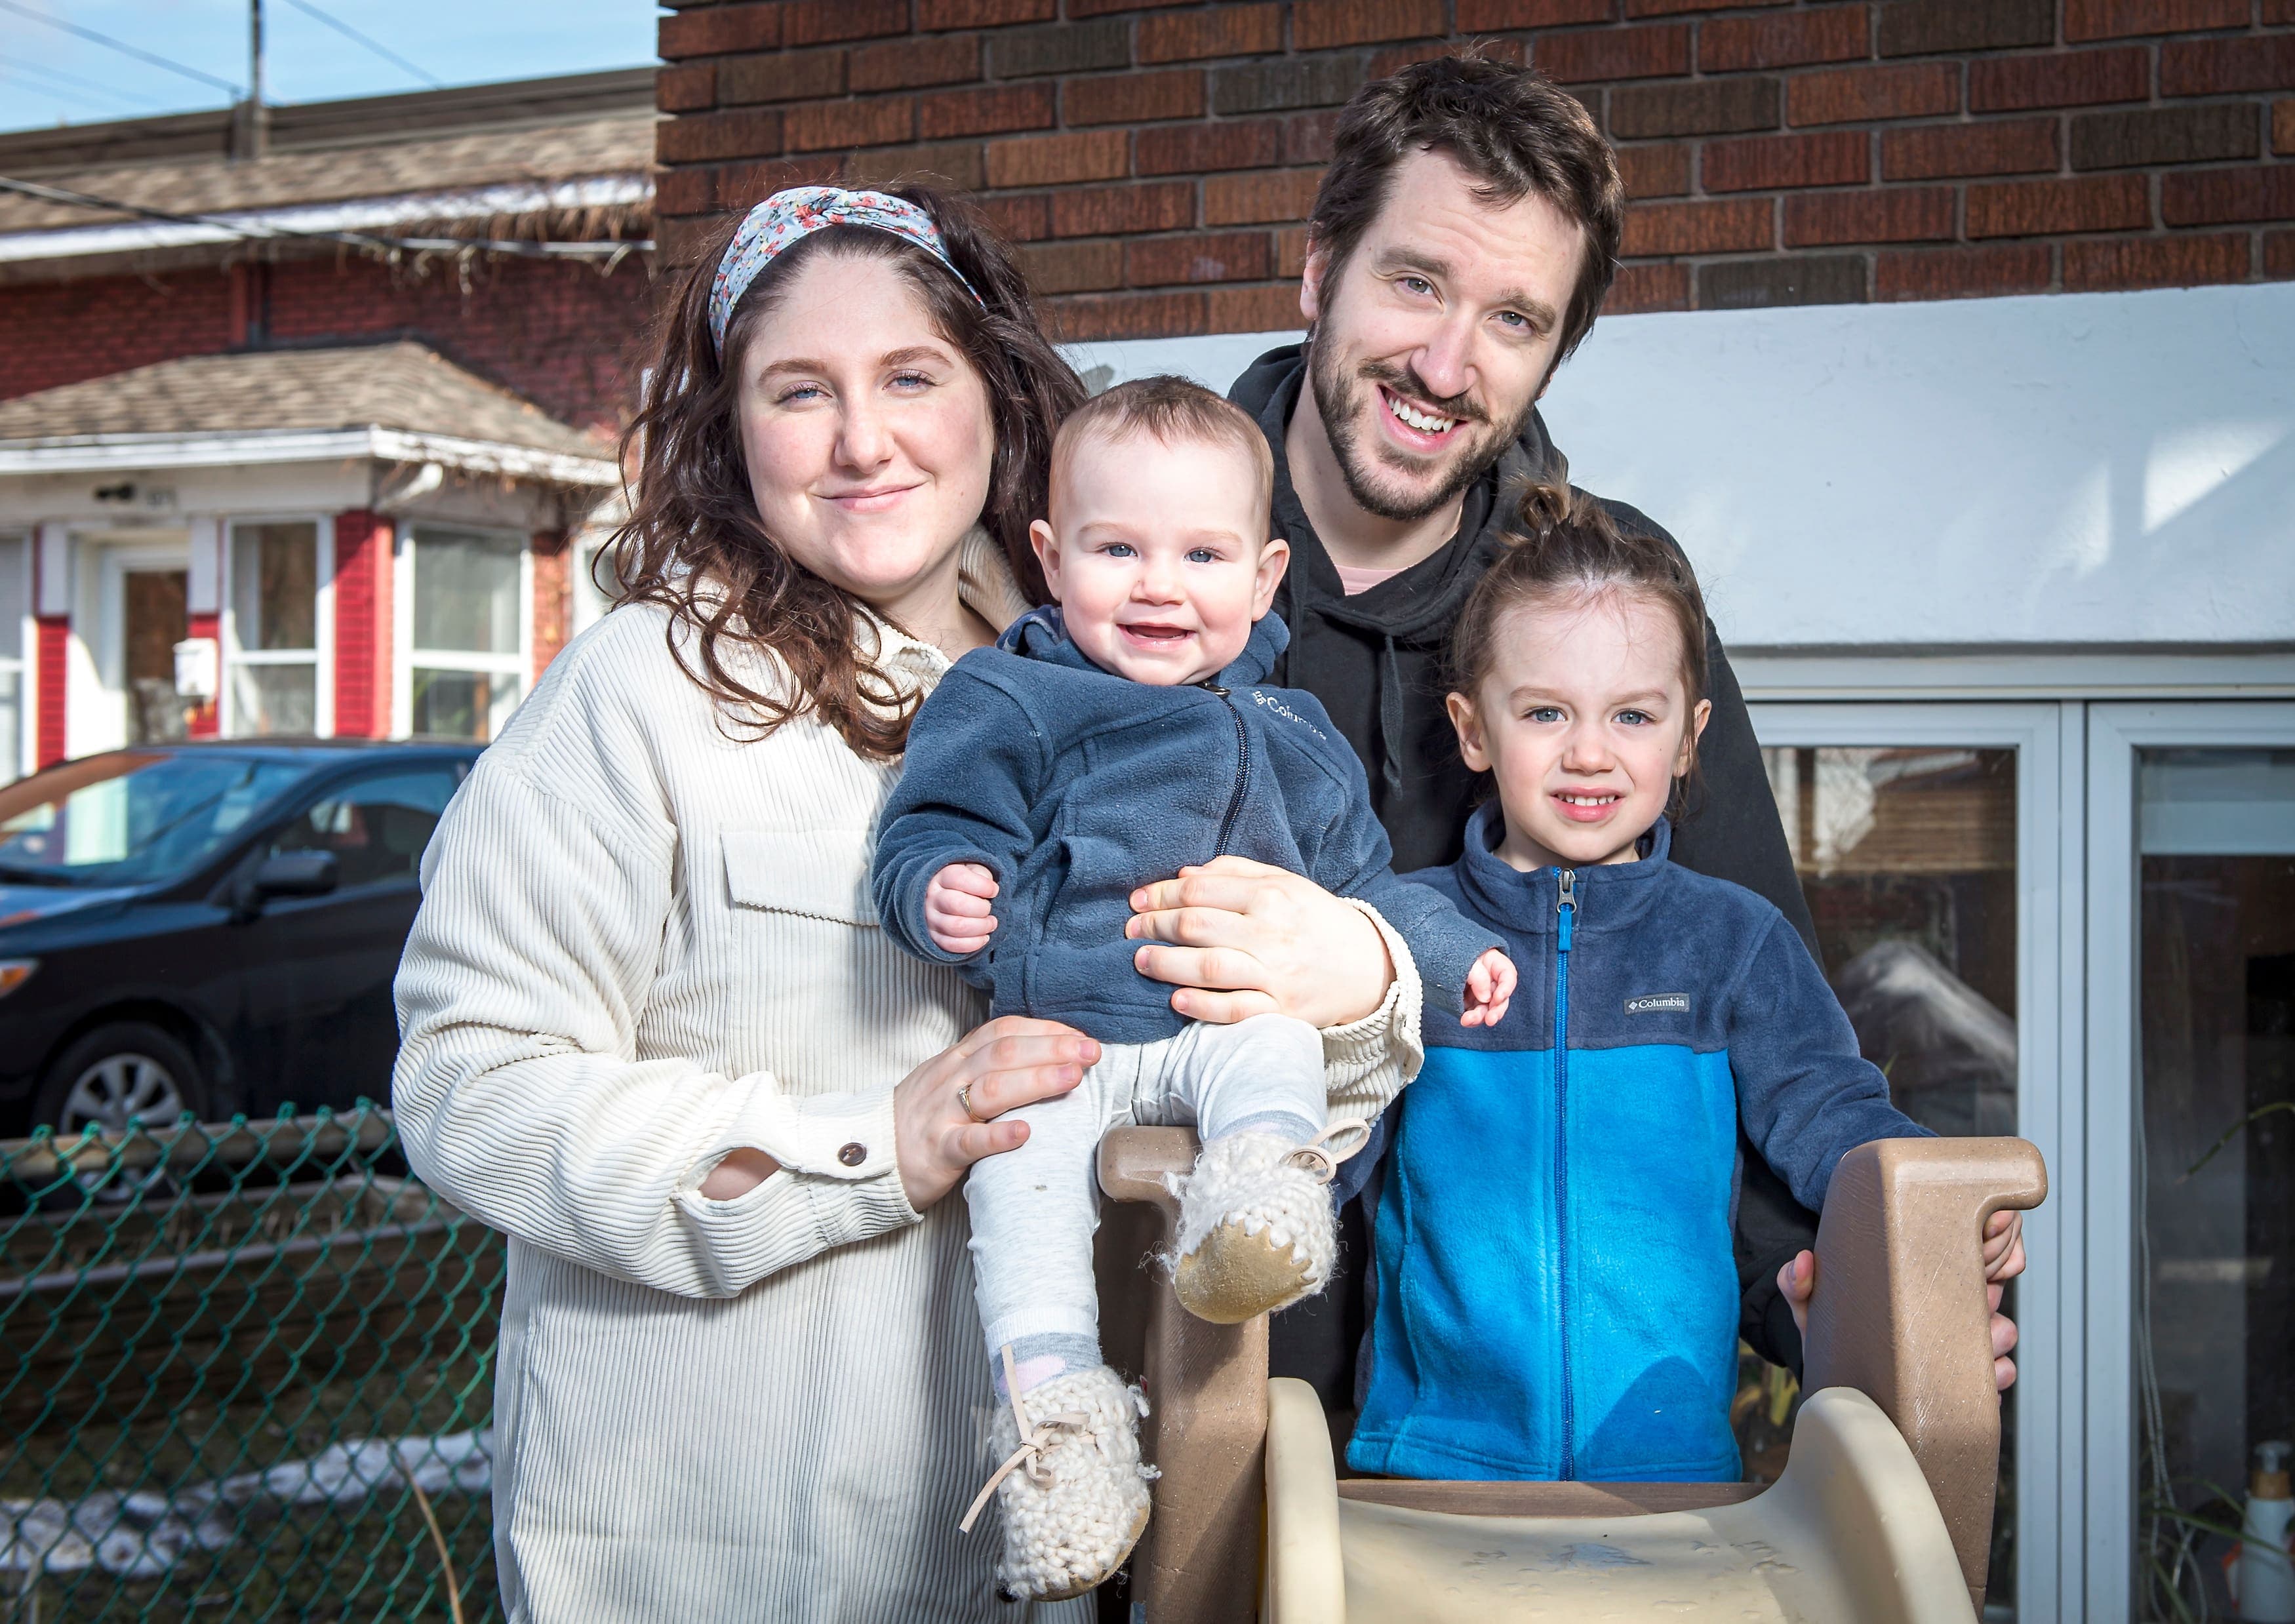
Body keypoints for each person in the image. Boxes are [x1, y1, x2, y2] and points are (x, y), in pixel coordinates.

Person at [390, 187, 1420, 1621]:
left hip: (1013, 1559)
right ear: (730, 426)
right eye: (799, 390)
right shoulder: (637, 696)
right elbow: (468, 1090)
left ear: (995, 400)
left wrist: (1359, 973)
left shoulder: (1140, 687)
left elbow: (1259, 1094)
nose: (861, 440)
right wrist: (880, 1146)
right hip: (704, 1548)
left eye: (908, 379)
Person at [1182, 54, 2023, 1402]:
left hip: (1550, 1448)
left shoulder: (1600, 601)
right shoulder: (1143, 558)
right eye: (1415, 282)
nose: (1446, 364)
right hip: (1197, 1386)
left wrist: (1827, 1288)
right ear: (1317, 269)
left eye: (1513, 318)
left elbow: (1728, 1003)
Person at [871, 377, 1513, 1599]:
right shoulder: (1012, 696)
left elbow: (1367, 885)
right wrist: (939, 885)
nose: (1160, 584)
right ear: (1052, 559)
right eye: (1118, 548)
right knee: (1019, 1193)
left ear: (1267, 580)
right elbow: (930, 826)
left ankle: (1259, 1202)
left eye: (1202, 553)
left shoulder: (1291, 730)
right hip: (1059, 1035)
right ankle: (1062, 1440)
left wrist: (1434, 952)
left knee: (1273, 1047)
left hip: (1213, 1035)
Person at [1349, 481, 2022, 1482]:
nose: (1589, 751)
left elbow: (1832, 1113)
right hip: (1433, 1464)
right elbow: (1326, 1142)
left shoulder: (1732, 942)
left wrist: (1928, 1195)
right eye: (1544, 711)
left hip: (1670, 1474)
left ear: (1689, 733)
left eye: (1632, 714)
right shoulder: (1404, 932)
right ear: (1473, 728)